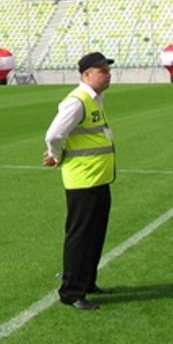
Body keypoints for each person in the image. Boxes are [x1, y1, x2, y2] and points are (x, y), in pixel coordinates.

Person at [43, 51, 116, 311]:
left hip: (98, 177)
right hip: (83, 179)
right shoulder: (77, 101)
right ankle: (72, 291)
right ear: (86, 75)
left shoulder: (95, 99)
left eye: (108, 70)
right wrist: (56, 155)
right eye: (102, 71)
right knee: (80, 236)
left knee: (95, 235)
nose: (108, 75)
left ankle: (87, 282)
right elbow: (54, 134)